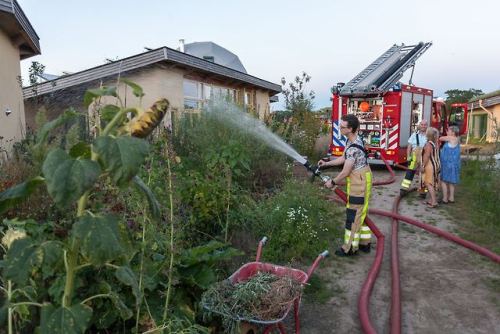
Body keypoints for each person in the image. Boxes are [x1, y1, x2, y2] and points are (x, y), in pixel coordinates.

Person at [318, 114, 372, 256]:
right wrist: (327, 163)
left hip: (358, 181)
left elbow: (346, 171)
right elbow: (343, 158)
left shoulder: (354, 147)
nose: (339, 128)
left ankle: (349, 248)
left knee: (353, 214)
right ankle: (365, 243)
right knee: (360, 211)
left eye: (342, 127)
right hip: (360, 178)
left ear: (351, 129)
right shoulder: (352, 141)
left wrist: (333, 182)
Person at [400, 120, 428, 195]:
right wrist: (408, 156)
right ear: (419, 125)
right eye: (422, 124)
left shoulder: (429, 135)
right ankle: (404, 189)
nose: (423, 126)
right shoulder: (414, 135)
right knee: (410, 172)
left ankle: (423, 192)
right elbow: (409, 146)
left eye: (425, 125)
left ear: (427, 126)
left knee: (424, 174)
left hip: (424, 157)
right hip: (414, 157)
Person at [439, 126, 461, 203]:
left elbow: (440, 138)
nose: (447, 131)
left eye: (448, 130)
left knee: (443, 181)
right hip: (454, 164)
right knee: (451, 182)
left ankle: (445, 199)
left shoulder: (451, 138)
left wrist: (441, 130)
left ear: (453, 132)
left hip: (447, 164)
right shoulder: (457, 139)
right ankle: (451, 198)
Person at [421, 127, 441, 208]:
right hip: (436, 164)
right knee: (432, 182)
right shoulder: (435, 143)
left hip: (430, 166)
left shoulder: (428, 144)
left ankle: (434, 202)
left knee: (428, 183)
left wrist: (423, 166)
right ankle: (431, 200)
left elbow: (427, 156)